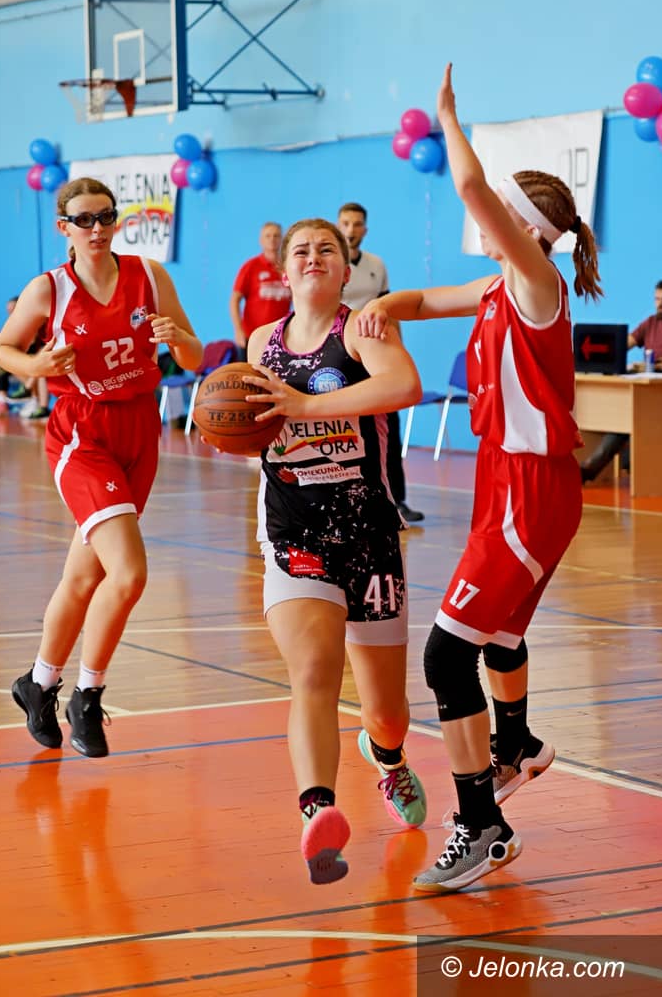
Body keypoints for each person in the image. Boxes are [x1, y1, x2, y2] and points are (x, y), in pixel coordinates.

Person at [358, 64, 602, 892]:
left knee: (445, 656)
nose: (482, 211)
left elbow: (466, 183)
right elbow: (428, 301)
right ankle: (517, 744)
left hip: (530, 491)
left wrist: (449, 118)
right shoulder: (498, 285)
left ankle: (482, 826)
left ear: (524, 227)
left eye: (499, 207)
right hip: (507, 483)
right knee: (496, 635)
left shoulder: (536, 283)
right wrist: (385, 307)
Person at [236, 217, 427, 885]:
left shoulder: (364, 329)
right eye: (301, 250)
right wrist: (226, 429)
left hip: (367, 532)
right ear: (283, 270)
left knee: (387, 711)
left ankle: (387, 756)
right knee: (314, 670)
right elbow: (250, 420)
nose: (313, 257)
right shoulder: (261, 342)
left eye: (327, 250)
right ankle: (318, 811)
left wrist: (303, 407)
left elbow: (404, 387)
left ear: (347, 270)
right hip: (294, 531)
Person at [0, 176, 202, 758]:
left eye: (106, 216)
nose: (97, 228)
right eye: (84, 219)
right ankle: (87, 696)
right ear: (64, 227)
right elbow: (4, 351)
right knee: (129, 574)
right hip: (82, 433)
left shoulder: (149, 276)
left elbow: (192, 354)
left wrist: (176, 337)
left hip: (140, 429)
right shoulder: (49, 289)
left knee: (84, 578)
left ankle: (37, 683)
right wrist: (38, 365)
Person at [337, 203, 423, 523]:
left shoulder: (376, 265)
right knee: (344, 430)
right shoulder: (332, 265)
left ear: (365, 229)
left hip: (375, 354)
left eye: (357, 224)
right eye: (346, 223)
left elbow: (389, 310)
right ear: (338, 225)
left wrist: (397, 348)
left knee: (390, 428)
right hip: (342, 354)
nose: (351, 229)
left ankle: (397, 500)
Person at [580, 279, 662, 483]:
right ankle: (588, 468)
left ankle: (594, 467)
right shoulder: (650, 323)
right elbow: (622, 344)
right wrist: (607, 352)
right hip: (647, 393)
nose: (660, 304)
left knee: (632, 424)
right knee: (623, 420)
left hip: (660, 397)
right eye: (657, 299)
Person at [229, 221, 291, 359]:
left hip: (281, 337)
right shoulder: (251, 266)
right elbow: (234, 300)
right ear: (261, 240)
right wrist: (238, 330)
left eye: (276, 236)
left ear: (282, 239)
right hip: (252, 337)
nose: (272, 239)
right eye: (268, 236)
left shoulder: (288, 267)